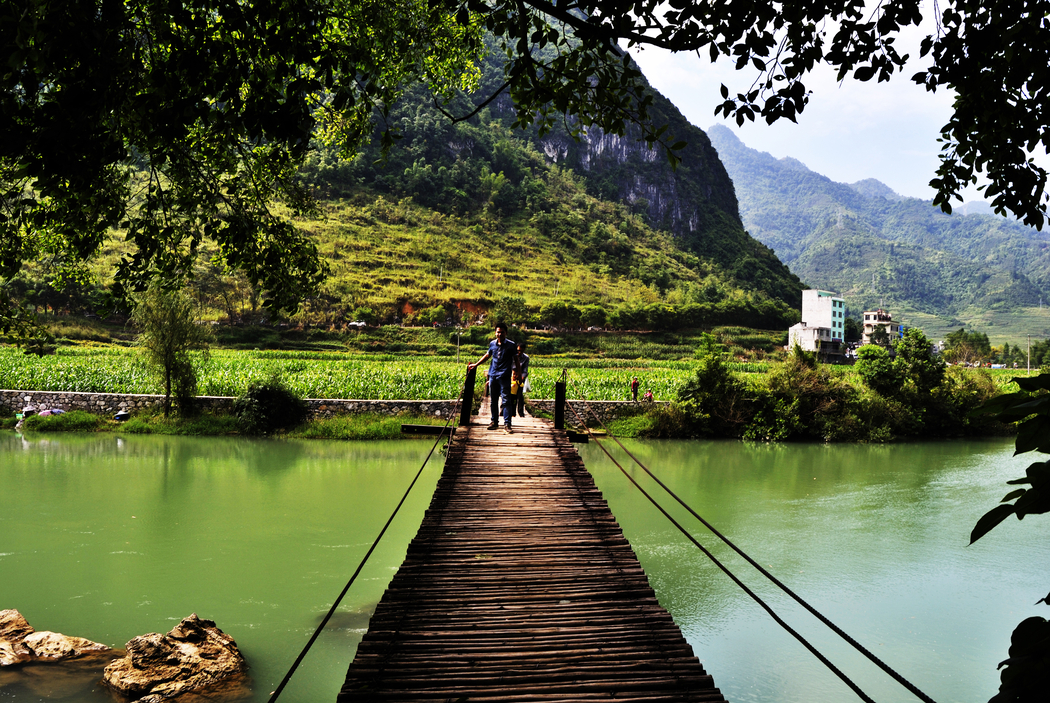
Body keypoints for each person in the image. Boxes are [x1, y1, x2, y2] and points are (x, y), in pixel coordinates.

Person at [468, 322, 518, 432]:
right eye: (498, 332)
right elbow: (487, 356)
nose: (500, 334)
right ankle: (494, 421)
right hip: (493, 375)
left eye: (502, 332)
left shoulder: (511, 345)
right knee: (493, 400)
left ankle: (507, 424)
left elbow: (516, 360)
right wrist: (476, 364)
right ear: (495, 333)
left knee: (506, 400)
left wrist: (517, 373)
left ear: (506, 333)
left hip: (504, 376)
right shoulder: (492, 344)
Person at [512, 343, 530, 418]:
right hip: (511, 377)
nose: (519, 352)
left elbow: (525, 370)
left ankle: (521, 413)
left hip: (520, 378)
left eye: (521, 351)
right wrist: (513, 376)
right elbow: (510, 367)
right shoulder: (512, 356)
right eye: (518, 350)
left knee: (520, 396)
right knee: (510, 396)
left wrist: (521, 378)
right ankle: (510, 412)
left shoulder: (526, 358)